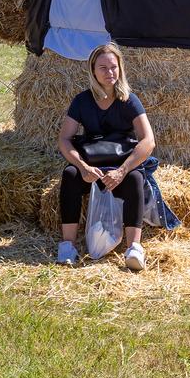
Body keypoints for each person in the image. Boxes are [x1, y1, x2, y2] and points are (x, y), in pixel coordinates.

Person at [54, 42, 159, 270]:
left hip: (120, 164)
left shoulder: (129, 100)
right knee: (70, 175)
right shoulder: (82, 101)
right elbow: (64, 139)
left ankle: (134, 248)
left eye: (113, 67)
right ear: (93, 70)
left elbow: (148, 140)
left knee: (135, 179)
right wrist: (82, 166)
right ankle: (68, 246)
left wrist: (122, 171)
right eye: (103, 68)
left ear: (120, 68)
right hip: (93, 166)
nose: (109, 73)